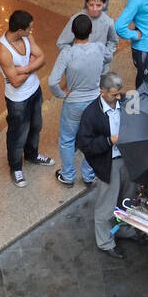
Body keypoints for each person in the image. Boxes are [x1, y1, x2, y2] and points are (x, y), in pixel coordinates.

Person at [77, 73, 134, 260]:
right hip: (108, 164)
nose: (119, 97)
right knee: (106, 206)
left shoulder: (128, 101)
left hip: (128, 159)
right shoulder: (91, 114)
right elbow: (85, 145)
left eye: (119, 93)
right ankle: (106, 242)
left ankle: (125, 230)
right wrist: (110, 141)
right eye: (114, 95)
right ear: (102, 92)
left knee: (127, 199)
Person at [0, 10, 53, 187]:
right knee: (18, 134)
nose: (31, 31)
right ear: (20, 30)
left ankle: (32, 154)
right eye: (29, 28)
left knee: (36, 126)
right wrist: (30, 67)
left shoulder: (27, 38)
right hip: (17, 100)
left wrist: (23, 69)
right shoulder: (2, 50)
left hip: (35, 91)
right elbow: (15, 82)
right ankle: (16, 167)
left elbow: (42, 58)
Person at [48, 14, 105, 187]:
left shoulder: (68, 53)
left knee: (67, 139)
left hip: (73, 102)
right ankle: (88, 175)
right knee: (92, 137)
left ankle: (68, 175)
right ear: (91, 31)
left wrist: (61, 94)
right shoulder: (99, 48)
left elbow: (52, 81)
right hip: (95, 100)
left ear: (72, 31)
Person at [56, 0, 118, 74]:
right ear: (86, 3)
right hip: (78, 67)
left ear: (105, 4)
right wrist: (75, 55)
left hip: (99, 68)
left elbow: (113, 41)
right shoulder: (76, 19)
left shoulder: (108, 22)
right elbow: (62, 43)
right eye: (91, 5)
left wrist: (105, 55)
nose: (94, 9)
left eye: (98, 5)